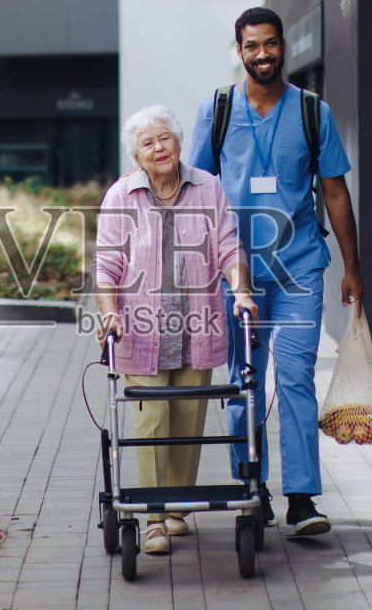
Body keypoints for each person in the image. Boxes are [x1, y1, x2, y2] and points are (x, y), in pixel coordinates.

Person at [188, 7, 364, 537]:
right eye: (251, 46)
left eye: (270, 44)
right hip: (236, 274)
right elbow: (198, 192)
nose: (262, 54)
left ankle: (303, 499)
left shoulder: (312, 111)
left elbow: (335, 191)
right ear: (239, 51)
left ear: (283, 46)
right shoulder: (217, 110)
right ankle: (252, 487)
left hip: (299, 269)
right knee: (243, 380)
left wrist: (352, 268)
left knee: (294, 377)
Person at [95, 105, 259, 556]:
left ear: (179, 142)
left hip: (197, 327)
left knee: (188, 420)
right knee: (151, 421)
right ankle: (153, 518)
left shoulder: (207, 186)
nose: (158, 148)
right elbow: (106, 264)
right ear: (136, 156)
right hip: (142, 330)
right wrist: (109, 313)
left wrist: (241, 291)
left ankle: (177, 507)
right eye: (147, 143)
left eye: (164, 138)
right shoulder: (121, 196)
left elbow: (228, 246)